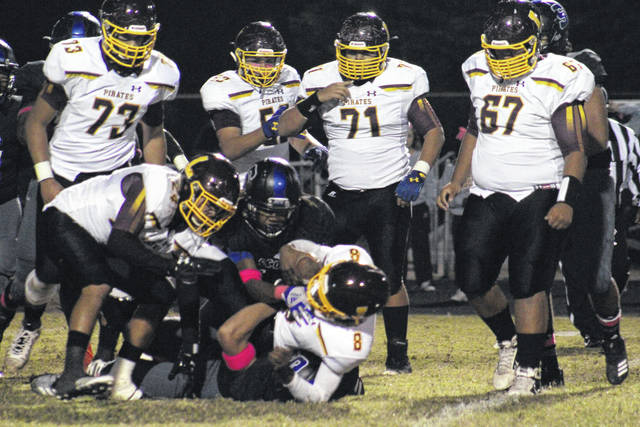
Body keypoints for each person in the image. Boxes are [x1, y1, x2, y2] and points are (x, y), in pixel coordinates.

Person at [437, 1, 599, 395]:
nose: (503, 60)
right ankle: (508, 340)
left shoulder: (559, 77)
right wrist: (458, 179)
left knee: (529, 283)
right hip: (487, 191)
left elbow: (575, 148)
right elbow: (475, 129)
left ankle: (529, 369)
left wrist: (566, 199)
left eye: (512, 51)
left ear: (533, 45)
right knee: (472, 281)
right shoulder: (477, 68)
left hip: (539, 191)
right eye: (497, 52)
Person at [277, 11, 446, 374]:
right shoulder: (318, 78)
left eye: (366, 53)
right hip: (340, 192)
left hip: (388, 193)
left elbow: (434, 132)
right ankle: (313, 343)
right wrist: (314, 131)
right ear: (339, 49)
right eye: (350, 53)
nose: (356, 61)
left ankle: (398, 354)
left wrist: (418, 173)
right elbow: (286, 127)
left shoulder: (405, 76)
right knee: (313, 267)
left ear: (383, 52)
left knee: (391, 276)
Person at [29, 153, 240, 399]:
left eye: (218, 211)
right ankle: (71, 375)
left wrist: (190, 344)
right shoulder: (156, 187)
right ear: (193, 188)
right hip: (68, 217)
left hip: (106, 240)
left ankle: (121, 378)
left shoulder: (189, 229)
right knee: (98, 284)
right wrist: (170, 266)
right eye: (210, 205)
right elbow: (120, 241)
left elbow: (186, 281)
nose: (212, 215)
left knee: (161, 294)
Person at [0, 10, 103, 376]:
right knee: (25, 269)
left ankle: (87, 354)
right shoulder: (37, 73)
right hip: (44, 179)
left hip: (91, 182)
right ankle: (29, 325)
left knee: (83, 272)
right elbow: (25, 124)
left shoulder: (114, 75)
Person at [532, 0, 628, 384]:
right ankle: (547, 363)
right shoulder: (506, 71)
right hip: (537, 177)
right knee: (532, 276)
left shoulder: (580, 64)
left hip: (587, 179)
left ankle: (612, 338)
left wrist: (553, 127)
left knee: (595, 279)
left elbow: (597, 140)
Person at [216, 240, 389, 402]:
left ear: (345, 318)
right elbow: (298, 249)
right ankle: (246, 266)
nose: (315, 294)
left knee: (242, 392)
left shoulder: (348, 348)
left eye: (322, 299)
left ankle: (347, 383)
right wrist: (287, 285)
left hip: (303, 348)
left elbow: (318, 395)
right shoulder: (350, 256)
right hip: (284, 310)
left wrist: (287, 374)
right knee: (227, 335)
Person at [200, 21, 327, 174]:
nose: (263, 68)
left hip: (279, 178)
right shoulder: (223, 87)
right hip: (239, 183)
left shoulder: (288, 77)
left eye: (269, 61)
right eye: (255, 60)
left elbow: (291, 132)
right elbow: (230, 149)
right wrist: (267, 130)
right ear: (239, 57)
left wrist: (311, 148)